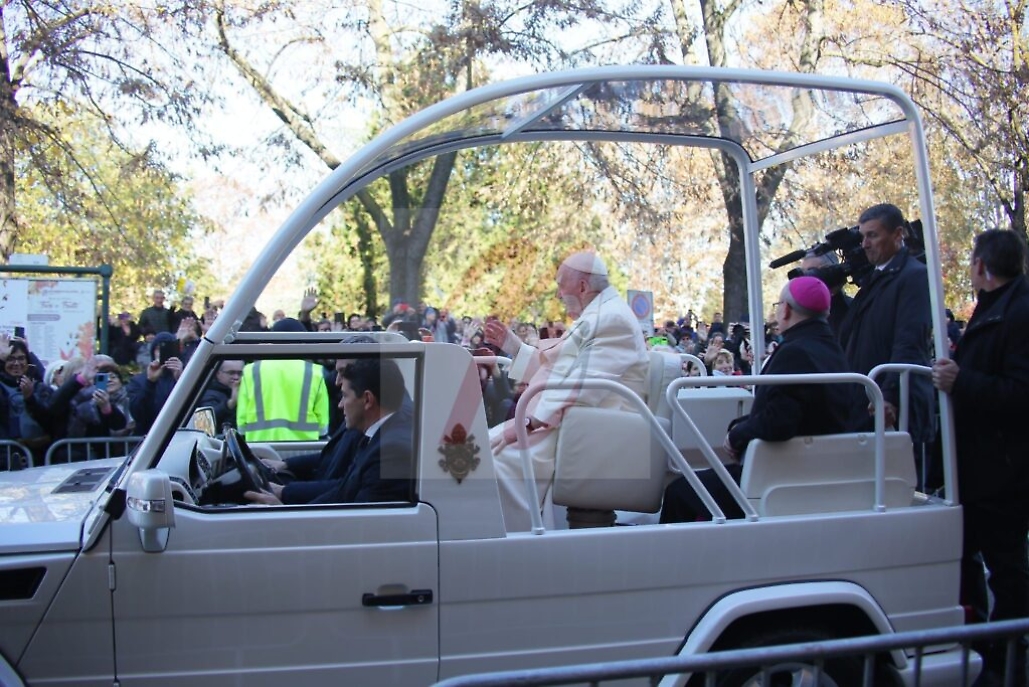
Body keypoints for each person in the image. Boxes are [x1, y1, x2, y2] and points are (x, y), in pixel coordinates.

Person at [661, 277, 857, 523]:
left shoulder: (795, 352)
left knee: (679, 493)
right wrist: (741, 425)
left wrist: (737, 435)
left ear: (785, 310)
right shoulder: (832, 349)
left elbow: (780, 421)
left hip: (782, 474)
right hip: (818, 468)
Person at [484, 251, 649, 531]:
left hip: (593, 428)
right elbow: (558, 370)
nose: (559, 295)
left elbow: (584, 386)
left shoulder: (611, 319)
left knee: (489, 465)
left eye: (562, 286)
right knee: (477, 450)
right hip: (573, 421)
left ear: (583, 287)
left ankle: (503, 545)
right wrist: (513, 347)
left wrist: (529, 421)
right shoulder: (600, 315)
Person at [931, 229, 1029, 685]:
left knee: (1006, 566)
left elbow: (1019, 393)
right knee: (972, 558)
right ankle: (981, 647)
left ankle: (1008, 659)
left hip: (1002, 469)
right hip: (982, 464)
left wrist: (961, 380)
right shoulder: (997, 310)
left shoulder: (1018, 314)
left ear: (981, 267)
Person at [837, 203, 934, 485]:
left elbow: (909, 339)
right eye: (863, 236)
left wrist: (889, 394)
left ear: (898, 234)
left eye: (873, 236)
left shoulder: (913, 276)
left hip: (890, 408)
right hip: (866, 402)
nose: (865, 244)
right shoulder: (875, 278)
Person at [246, 357, 414, 505]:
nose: (340, 405)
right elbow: (341, 493)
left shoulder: (390, 451)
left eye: (345, 396)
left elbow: (359, 520)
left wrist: (285, 512)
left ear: (368, 400)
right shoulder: (377, 437)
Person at [235, 318, 329, 442]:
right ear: (302, 342)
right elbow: (323, 425)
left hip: (259, 449)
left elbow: (241, 423)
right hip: (305, 450)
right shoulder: (315, 372)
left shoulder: (251, 371)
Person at [127, 332, 185, 435]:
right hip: (149, 438)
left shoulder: (186, 375)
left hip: (179, 435)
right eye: (158, 349)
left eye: (168, 348)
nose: (162, 352)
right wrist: (150, 382)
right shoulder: (138, 380)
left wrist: (181, 380)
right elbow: (138, 413)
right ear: (153, 352)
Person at [199, 360, 243, 431]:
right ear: (218, 374)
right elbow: (206, 421)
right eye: (231, 373)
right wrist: (229, 404)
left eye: (240, 373)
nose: (236, 377)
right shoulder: (209, 393)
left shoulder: (246, 390)